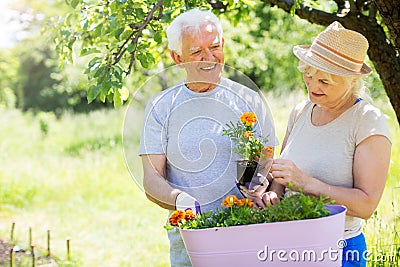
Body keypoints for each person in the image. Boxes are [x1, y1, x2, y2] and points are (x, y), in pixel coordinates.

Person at [138, 9, 276, 266]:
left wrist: (250, 186)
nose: (209, 58)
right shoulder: (161, 107)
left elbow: (265, 156)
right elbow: (151, 180)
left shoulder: (248, 100)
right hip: (192, 242)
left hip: (246, 232)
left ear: (223, 45)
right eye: (196, 52)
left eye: (214, 47)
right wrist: (181, 200)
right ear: (177, 58)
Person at [263, 21, 391, 267]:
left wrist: (307, 184)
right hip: (287, 246)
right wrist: (272, 194)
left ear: (351, 81)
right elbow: (282, 176)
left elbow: (366, 205)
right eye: (308, 75)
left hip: (338, 250)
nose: (312, 86)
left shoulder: (366, 120)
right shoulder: (301, 111)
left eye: (324, 82)